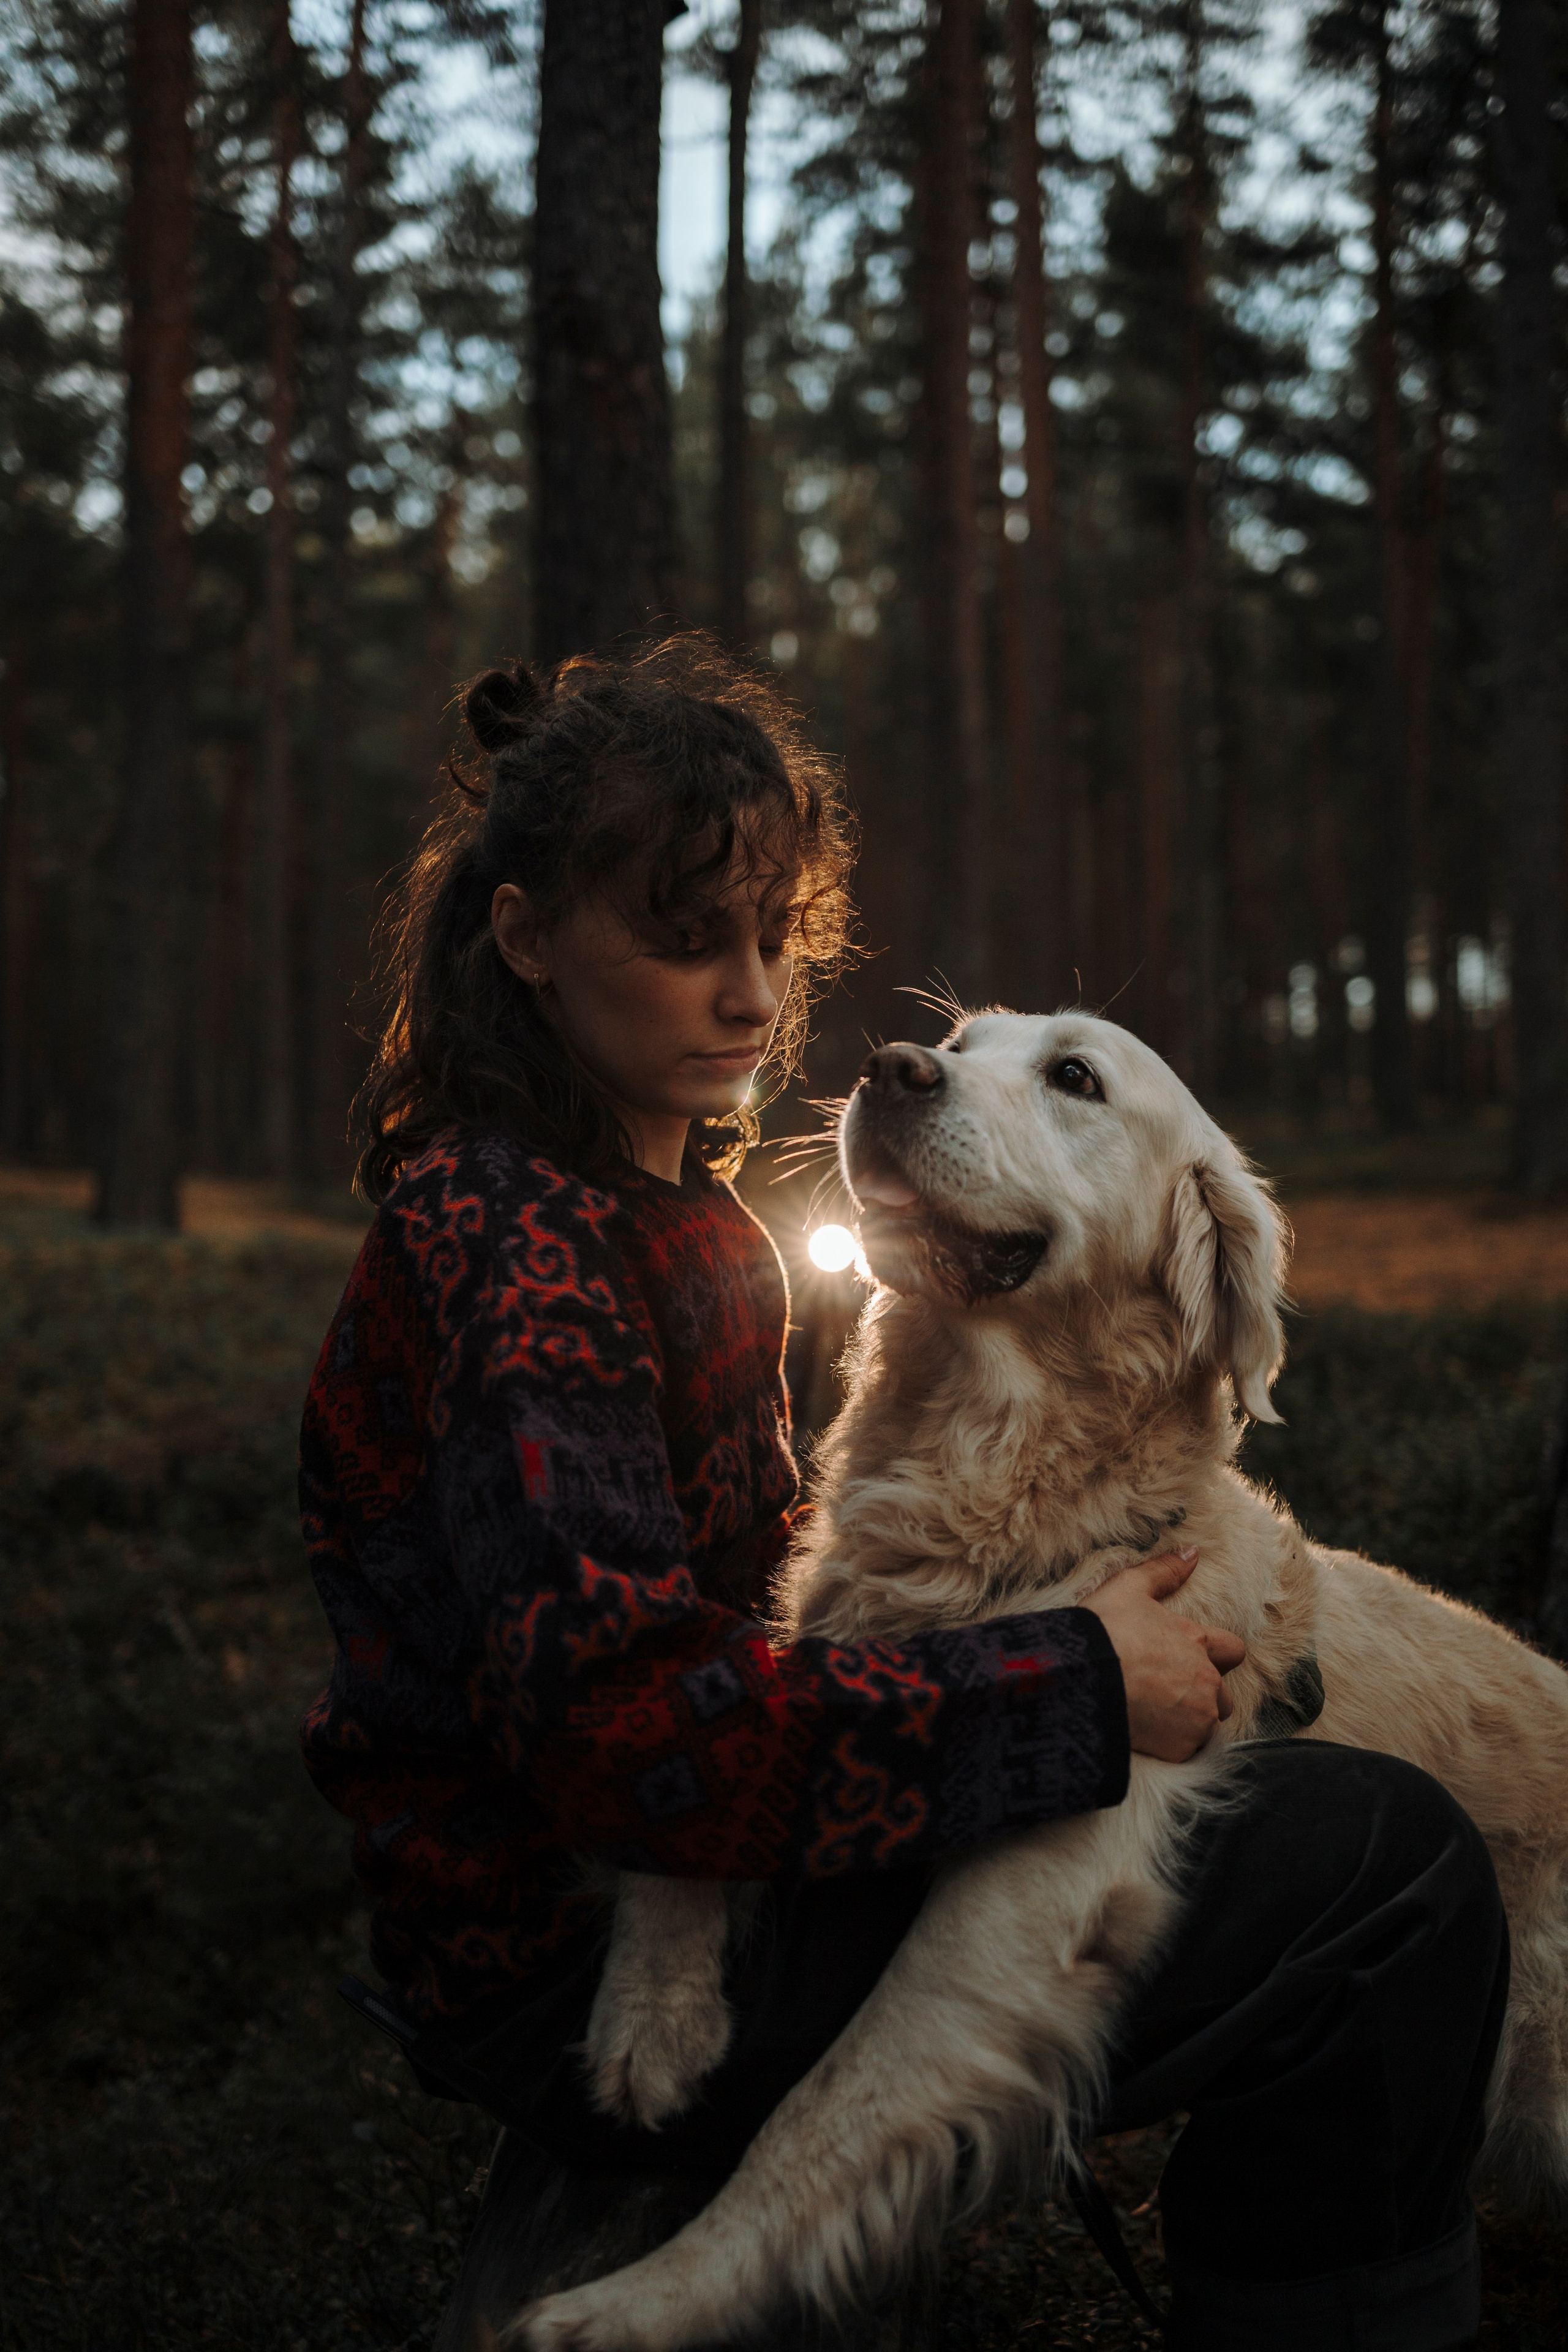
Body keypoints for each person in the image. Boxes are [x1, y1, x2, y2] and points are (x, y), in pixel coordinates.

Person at [300, 636, 1507, 2352]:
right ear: (526, 941)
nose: (751, 997)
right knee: (1387, 1859)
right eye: (682, 935)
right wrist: (1083, 1680)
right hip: (557, 1966)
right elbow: (632, 1726)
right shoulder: (511, 1243)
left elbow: (717, 1634)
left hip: (663, 1895)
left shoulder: (682, 1228)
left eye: (775, 941)